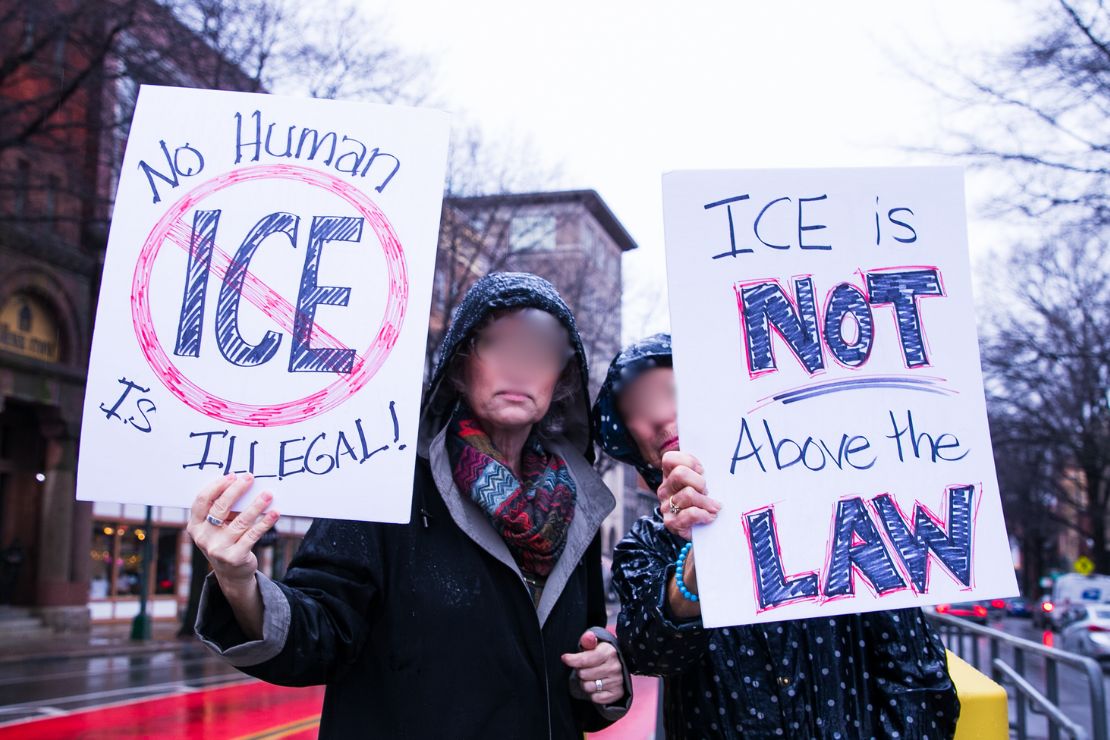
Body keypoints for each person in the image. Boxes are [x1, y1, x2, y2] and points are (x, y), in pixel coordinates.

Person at [190, 273, 631, 738]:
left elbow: (580, 651)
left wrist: (602, 670)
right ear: (460, 367)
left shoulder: (574, 506)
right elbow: (321, 631)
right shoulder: (386, 478)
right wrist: (240, 585)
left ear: (561, 378)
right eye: (498, 344)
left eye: (540, 351)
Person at [596, 333, 959, 739]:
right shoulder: (645, 544)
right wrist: (696, 562)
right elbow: (649, 650)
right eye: (637, 409)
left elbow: (918, 678)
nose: (661, 417)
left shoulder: (843, 505)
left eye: (671, 391)